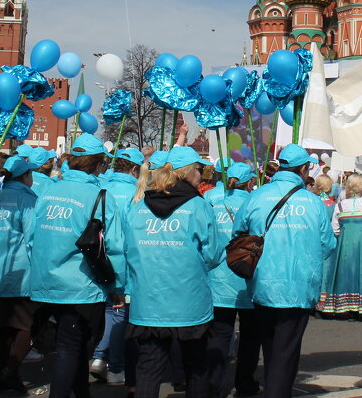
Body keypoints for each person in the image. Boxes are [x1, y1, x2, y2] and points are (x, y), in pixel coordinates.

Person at [232, 144, 334, 398]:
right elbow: (328, 244)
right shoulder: (313, 203)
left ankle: (276, 388)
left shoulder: (255, 197)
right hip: (298, 285)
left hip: (263, 283)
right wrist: (306, 259)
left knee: (271, 346)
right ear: (302, 169)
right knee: (286, 351)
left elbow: (238, 235)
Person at [29, 133, 127, 398]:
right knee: (70, 348)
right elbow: (115, 246)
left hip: (47, 282)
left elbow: (30, 238)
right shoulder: (100, 196)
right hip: (80, 286)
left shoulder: (49, 191)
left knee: (76, 346)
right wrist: (118, 286)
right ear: (98, 164)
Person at [123, 145, 220, 398]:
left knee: (148, 369)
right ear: (188, 173)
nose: (201, 174)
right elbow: (213, 254)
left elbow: (127, 249)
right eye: (199, 169)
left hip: (149, 300)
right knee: (196, 368)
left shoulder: (139, 206)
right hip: (189, 301)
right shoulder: (198, 206)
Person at [0, 154, 38, 393]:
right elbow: (33, 239)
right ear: (25, 176)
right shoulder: (27, 200)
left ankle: (0, 375)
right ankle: (10, 371)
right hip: (20, 272)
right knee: (28, 326)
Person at [90, 147, 144, 387]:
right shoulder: (138, 193)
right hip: (125, 264)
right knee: (121, 316)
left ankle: (99, 357)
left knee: (109, 313)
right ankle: (115, 367)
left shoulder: (101, 188)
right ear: (134, 169)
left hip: (97, 262)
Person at [207, 161, 261, 398]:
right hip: (246, 274)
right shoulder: (254, 201)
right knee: (250, 335)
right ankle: (245, 382)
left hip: (217, 274)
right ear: (249, 181)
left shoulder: (209, 198)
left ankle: (213, 385)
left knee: (219, 334)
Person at [318, 172, 362, 319]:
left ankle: (344, 304)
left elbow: (334, 229)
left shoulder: (340, 206)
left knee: (345, 271)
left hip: (345, 244)